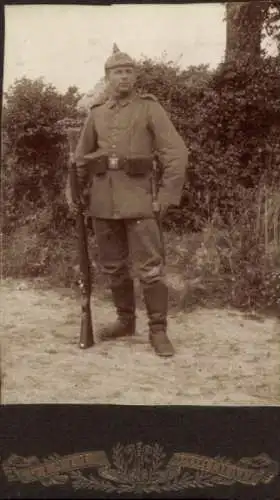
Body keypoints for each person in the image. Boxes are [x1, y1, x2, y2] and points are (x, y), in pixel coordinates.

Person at [72, 45, 188, 357]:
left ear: (135, 77)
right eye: (117, 72)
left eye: (128, 71)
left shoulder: (149, 108)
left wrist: (165, 195)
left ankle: (158, 330)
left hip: (140, 201)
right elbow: (81, 159)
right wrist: (75, 194)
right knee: (113, 267)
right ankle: (125, 321)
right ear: (107, 77)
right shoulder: (96, 114)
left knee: (150, 268)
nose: (123, 77)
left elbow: (175, 153)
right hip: (102, 202)